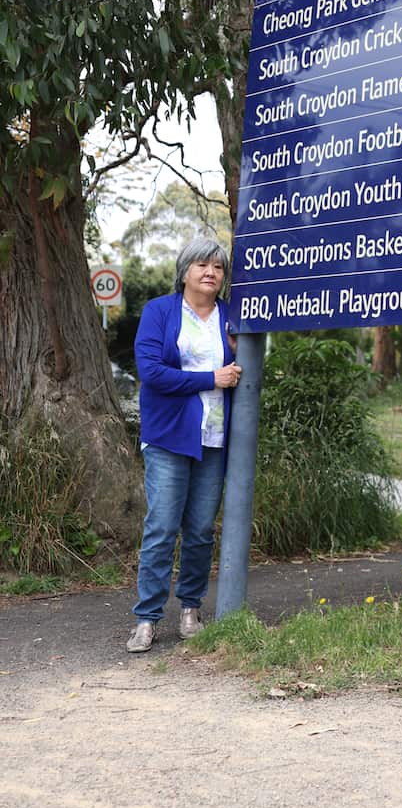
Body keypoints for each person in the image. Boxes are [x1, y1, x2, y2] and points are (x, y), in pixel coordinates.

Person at [127, 237, 241, 653]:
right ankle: (146, 618)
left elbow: (247, 367)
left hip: (215, 437)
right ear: (184, 270)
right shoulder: (160, 311)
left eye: (218, 267)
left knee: (199, 531)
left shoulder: (231, 316)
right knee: (161, 528)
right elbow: (152, 372)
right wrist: (211, 377)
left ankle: (190, 609)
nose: (210, 272)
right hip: (169, 435)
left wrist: (235, 357)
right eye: (202, 265)